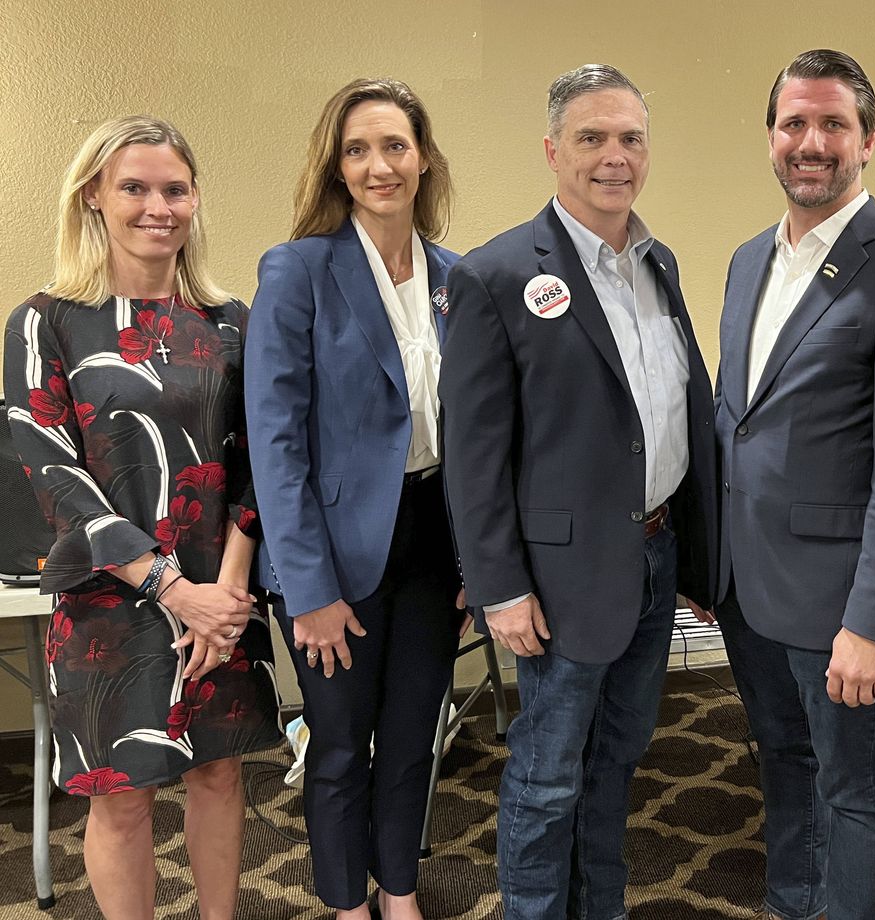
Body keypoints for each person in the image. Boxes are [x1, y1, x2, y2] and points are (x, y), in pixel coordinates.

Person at [439, 64, 717, 920]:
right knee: (548, 770)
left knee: (618, 760)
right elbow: (472, 456)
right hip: (555, 581)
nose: (614, 157)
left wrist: (700, 560)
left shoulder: (656, 261)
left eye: (631, 138)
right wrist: (500, 587)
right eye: (592, 138)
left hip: (653, 552)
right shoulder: (493, 276)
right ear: (554, 150)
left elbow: (670, 412)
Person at [712, 49, 875, 920]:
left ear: (869, 141)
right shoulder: (750, 259)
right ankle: (794, 903)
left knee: (852, 785)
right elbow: (734, 419)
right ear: (772, 137)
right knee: (780, 763)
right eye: (794, 123)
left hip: (839, 602)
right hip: (747, 587)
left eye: (832, 124)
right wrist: (713, 564)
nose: (810, 142)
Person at [2, 115, 279, 919]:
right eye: (134, 187)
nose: (157, 206)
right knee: (121, 796)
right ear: (94, 196)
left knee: (220, 772)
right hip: (107, 603)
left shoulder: (230, 320)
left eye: (175, 189)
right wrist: (171, 589)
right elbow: (54, 473)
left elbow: (260, 459)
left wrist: (224, 596)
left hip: (220, 594)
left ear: (195, 199)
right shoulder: (45, 321)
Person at [245, 78, 464, 920]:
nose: (380, 166)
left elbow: (476, 438)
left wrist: (481, 561)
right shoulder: (300, 269)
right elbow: (276, 441)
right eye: (359, 150)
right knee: (340, 743)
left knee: (415, 735)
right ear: (336, 168)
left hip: (433, 538)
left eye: (396, 147)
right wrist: (309, 590)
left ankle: (398, 892)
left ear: (423, 159)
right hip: (333, 550)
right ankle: (345, 903)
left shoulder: (456, 276)